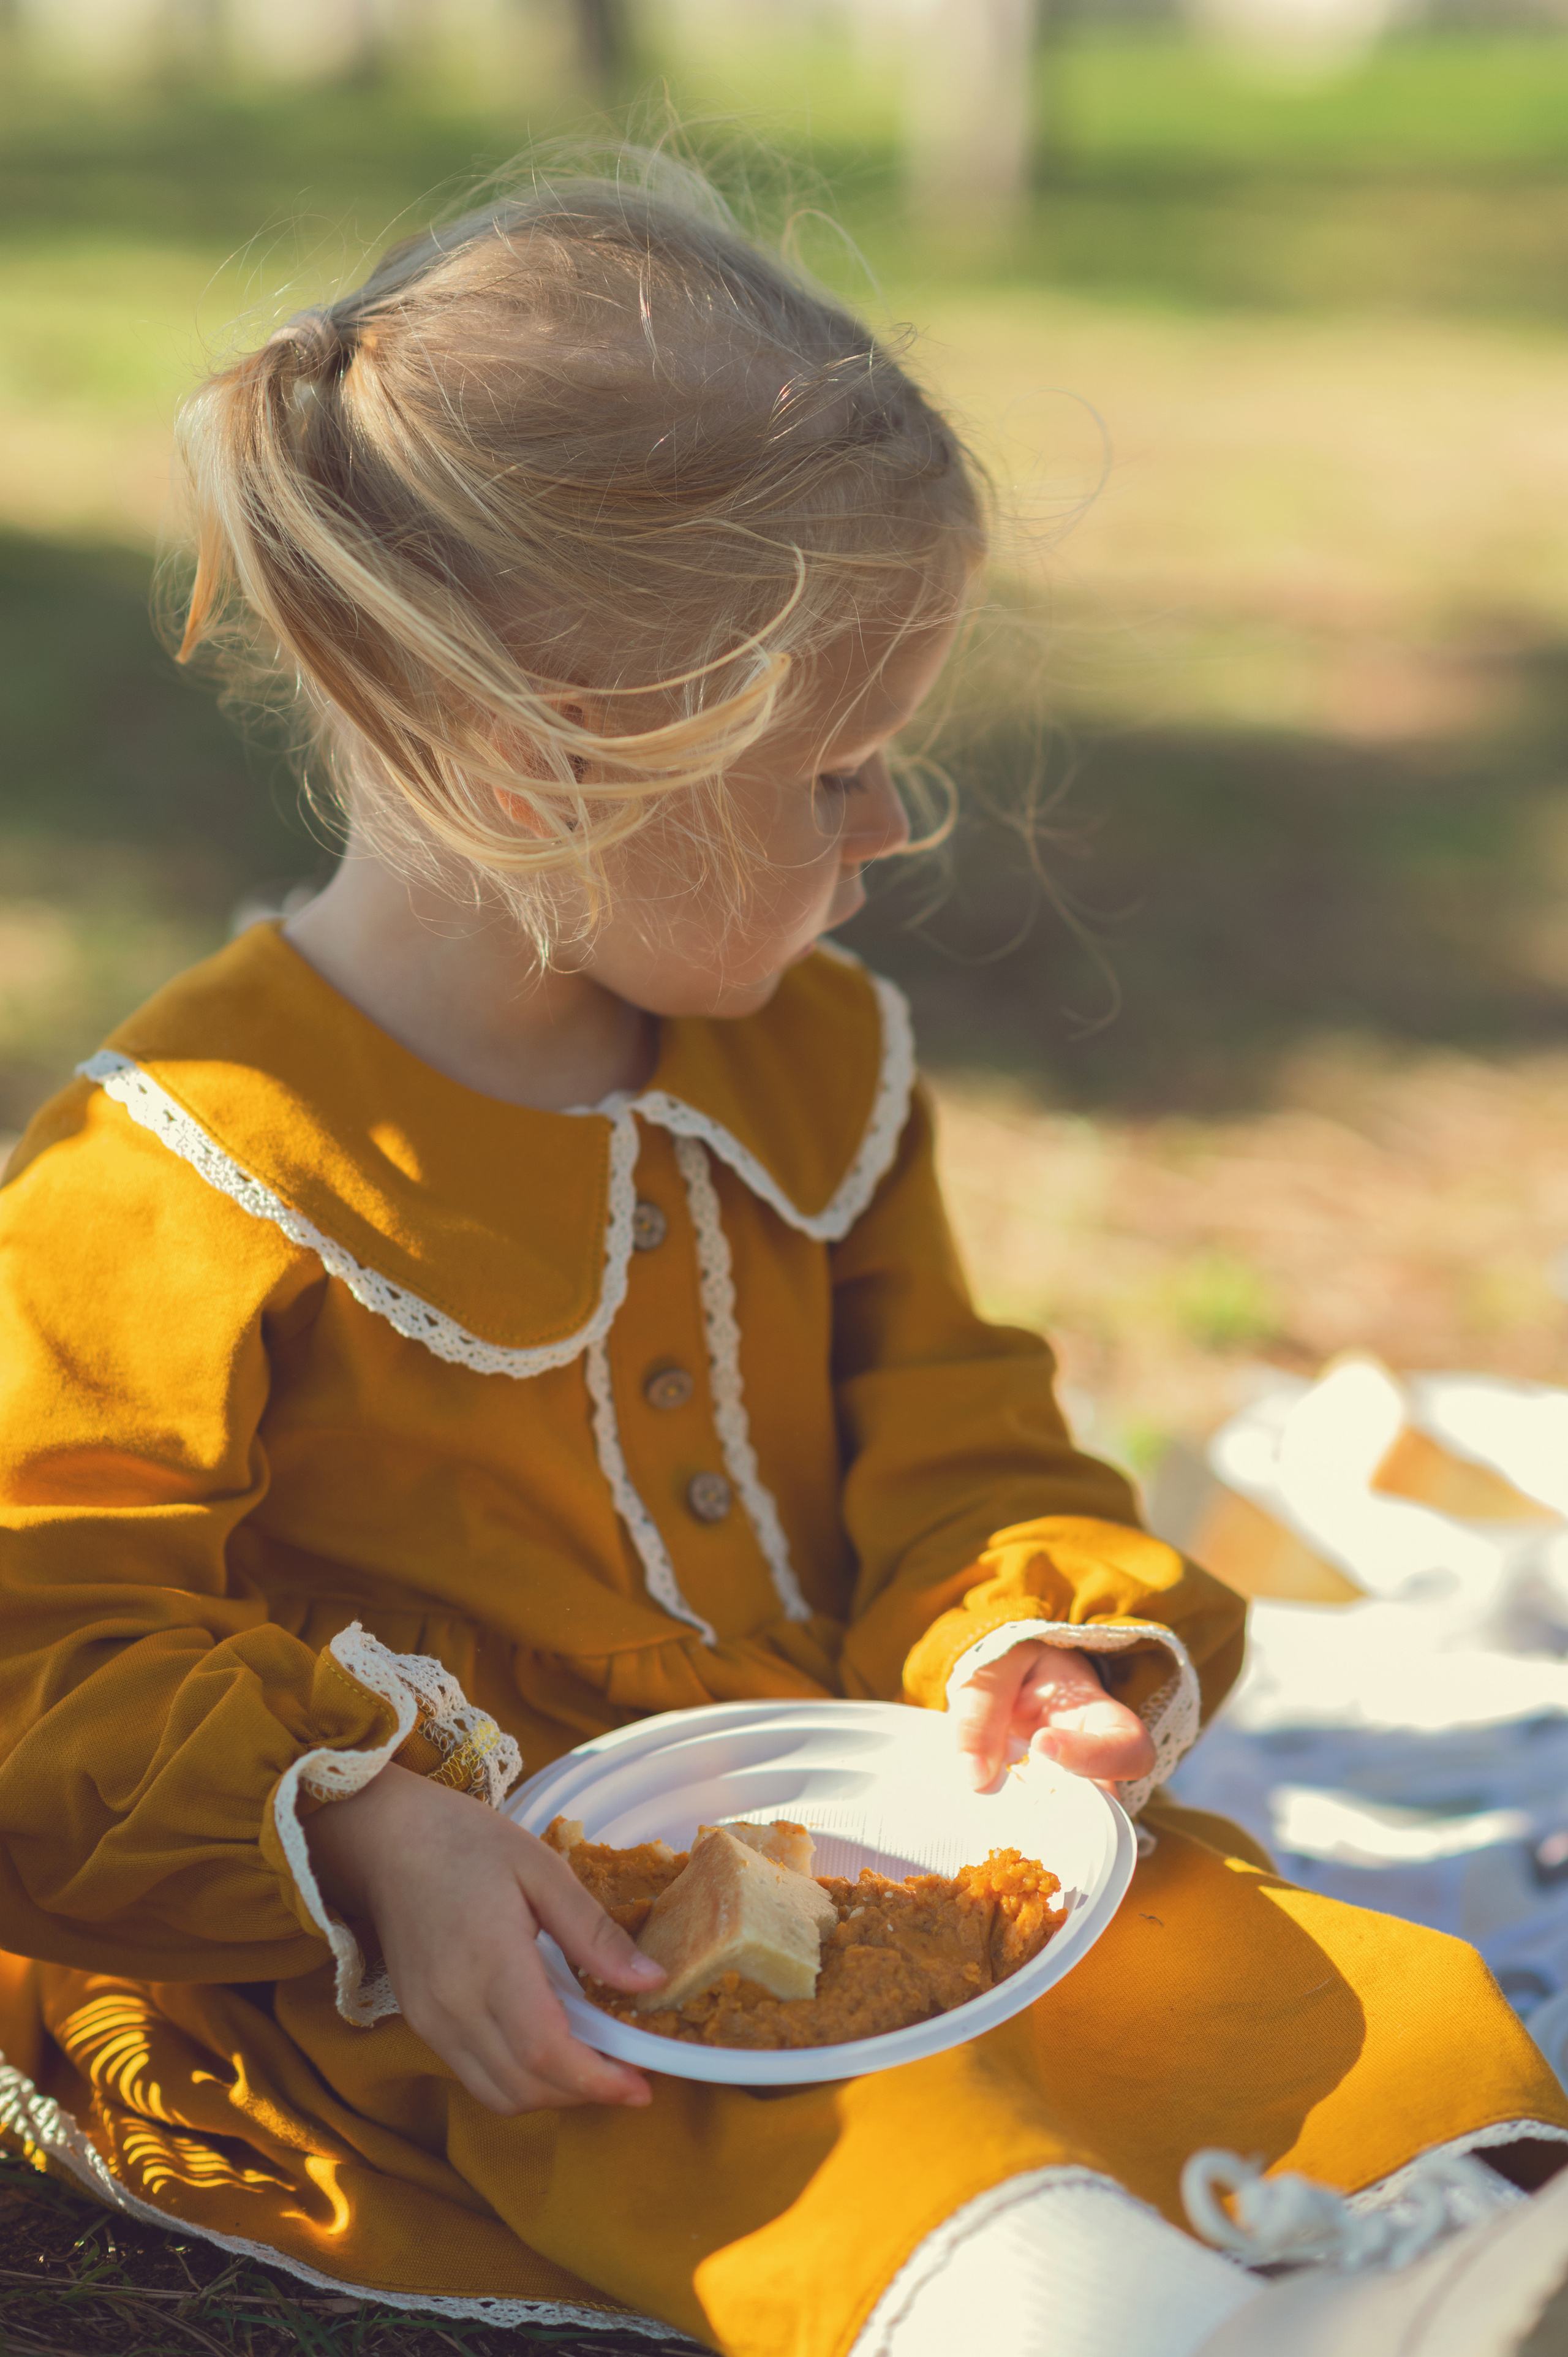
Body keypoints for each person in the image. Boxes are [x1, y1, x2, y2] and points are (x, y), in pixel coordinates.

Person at [0, 146, 1565, 2357]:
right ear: (547, 773)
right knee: (786, 2129)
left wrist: (1025, 1640)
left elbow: (954, 1425)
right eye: (834, 774)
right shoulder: (180, 1166)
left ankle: (1468, 2248)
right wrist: (367, 1836)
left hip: (855, 1839)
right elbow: (39, 1633)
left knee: (1284, 1986)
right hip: (483, 1956)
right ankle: (1174, 2328)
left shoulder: (813, 1063)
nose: (889, 829)